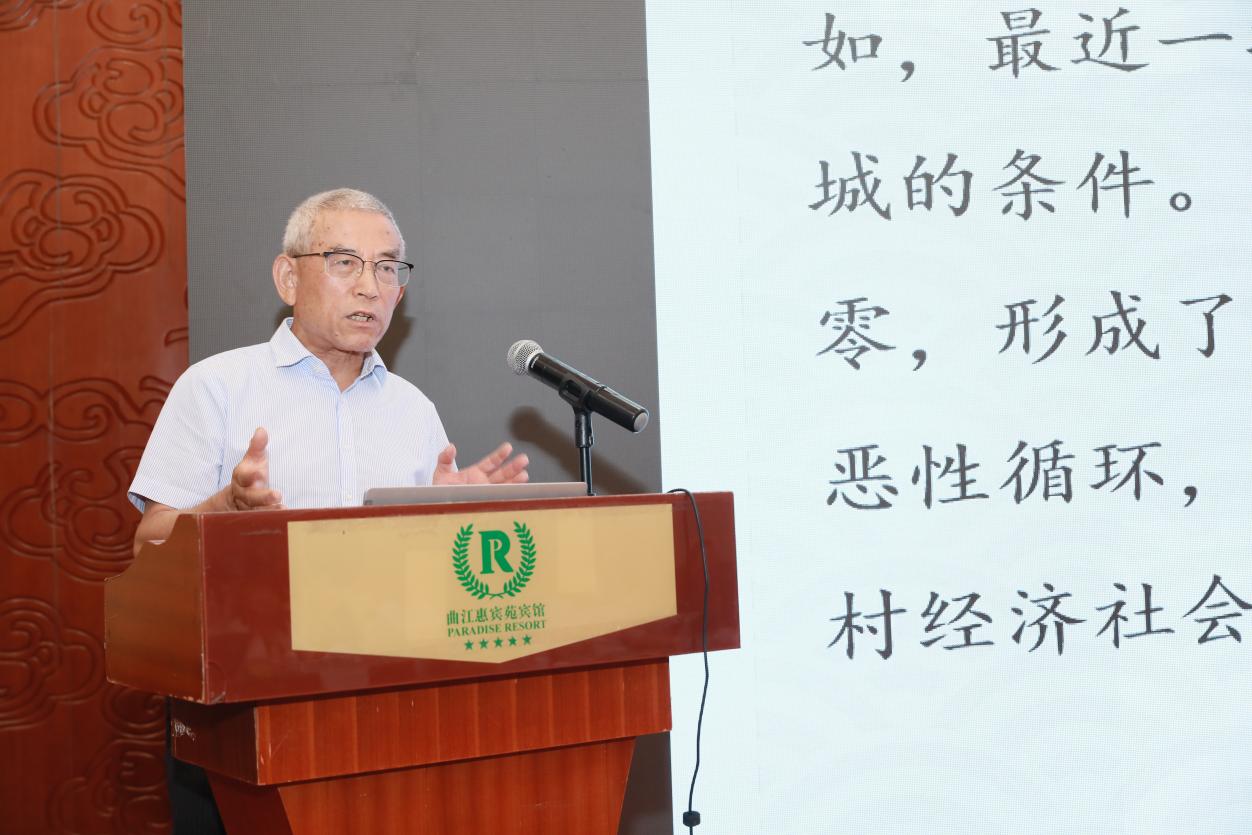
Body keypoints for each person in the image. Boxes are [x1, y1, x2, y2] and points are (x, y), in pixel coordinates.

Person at [127, 188, 528, 833]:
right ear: (288, 277)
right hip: (241, 716)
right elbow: (148, 546)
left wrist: (450, 517)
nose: (370, 286)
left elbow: (427, 582)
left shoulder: (413, 410)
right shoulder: (216, 388)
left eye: (387, 268)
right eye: (345, 263)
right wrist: (225, 506)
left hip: (389, 711)